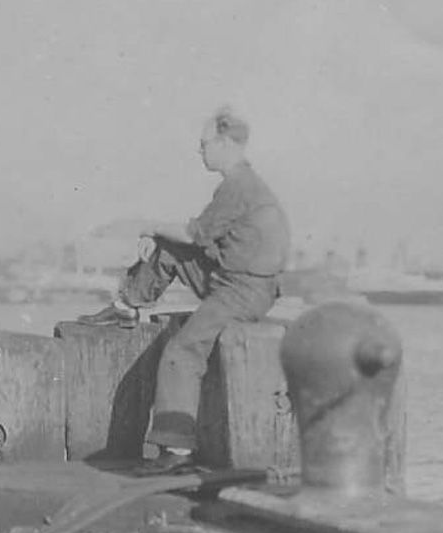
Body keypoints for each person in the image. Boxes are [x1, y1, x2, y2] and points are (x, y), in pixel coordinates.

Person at [78, 106, 290, 472]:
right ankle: (128, 305)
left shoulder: (239, 187)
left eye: (204, 144)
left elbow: (195, 233)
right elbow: (193, 239)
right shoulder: (241, 183)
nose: (200, 151)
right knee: (170, 250)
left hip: (242, 291)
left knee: (182, 350)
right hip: (231, 280)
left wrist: (149, 226)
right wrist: (157, 236)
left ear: (225, 142)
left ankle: (176, 452)